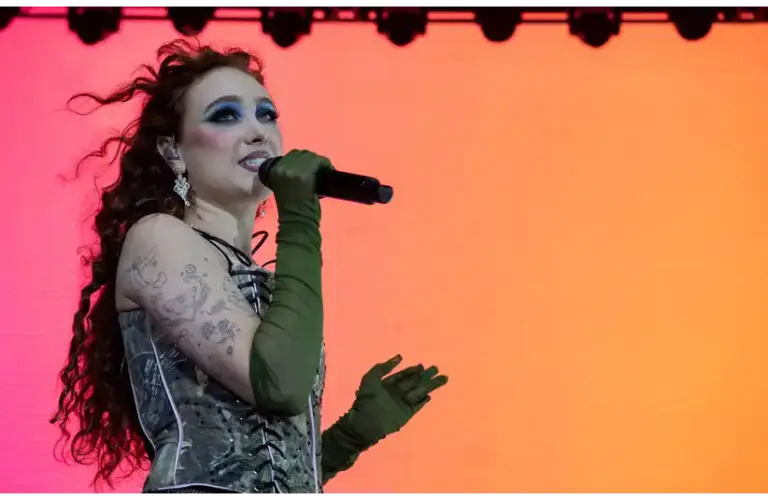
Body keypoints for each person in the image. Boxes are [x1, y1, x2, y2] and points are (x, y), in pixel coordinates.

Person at [50, 39, 448, 495]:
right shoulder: (159, 238)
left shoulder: (262, 279)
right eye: (226, 115)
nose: (259, 132)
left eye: (267, 115)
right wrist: (300, 215)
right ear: (173, 151)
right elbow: (278, 387)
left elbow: (264, 474)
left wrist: (352, 436)